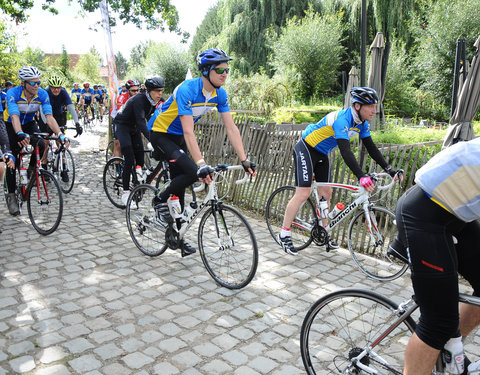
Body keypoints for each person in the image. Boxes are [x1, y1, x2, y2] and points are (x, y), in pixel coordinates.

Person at [148, 48, 256, 257]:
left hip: (178, 137)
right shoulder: (187, 89)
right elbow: (189, 131)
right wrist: (200, 163)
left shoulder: (219, 94)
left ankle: (176, 237)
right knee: (191, 172)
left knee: (180, 187)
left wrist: (244, 160)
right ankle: (158, 200)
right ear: (206, 71)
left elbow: (231, 128)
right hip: (160, 133)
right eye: (220, 70)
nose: (225, 73)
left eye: (227, 69)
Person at [278, 87, 403, 255]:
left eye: (375, 106)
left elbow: (371, 148)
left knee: (326, 193)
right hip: (306, 148)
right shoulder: (343, 120)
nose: (375, 110)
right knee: (303, 193)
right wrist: (361, 176)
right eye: (371, 106)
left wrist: (390, 170)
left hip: (322, 153)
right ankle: (284, 233)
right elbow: (346, 151)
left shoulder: (362, 123)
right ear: (357, 106)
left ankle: (323, 232)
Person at [394, 137, 480, 375]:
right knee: (438, 322)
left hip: (457, 215)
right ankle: (441, 338)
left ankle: (449, 347)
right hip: (423, 214)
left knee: (446, 328)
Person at [3, 66, 68, 216]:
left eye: (38, 82)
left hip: (30, 123)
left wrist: (59, 134)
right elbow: (14, 116)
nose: (37, 85)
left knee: (40, 143)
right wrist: (19, 133)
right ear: (24, 83)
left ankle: (33, 170)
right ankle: (11, 195)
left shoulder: (43, 94)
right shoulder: (13, 93)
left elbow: (49, 117)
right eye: (33, 83)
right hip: (11, 125)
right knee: (13, 160)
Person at [112, 76, 164, 206]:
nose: (160, 94)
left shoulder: (157, 100)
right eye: (157, 91)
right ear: (149, 90)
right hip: (122, 125)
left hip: (134, 127)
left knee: (140, 156)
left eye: (162, 91)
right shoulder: (139, 100)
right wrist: (151, 139)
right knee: (129, 157)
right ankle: (125, 193)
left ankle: (138, 179)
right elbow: (142, 121)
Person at [38, 74, 82, 182]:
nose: (56, 90)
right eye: (54, 87)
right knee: (46, 142)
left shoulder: (63, 92)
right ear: (50, 87)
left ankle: (64, 167)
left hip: (58, 116)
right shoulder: (45, 92)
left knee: (60, 142)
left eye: (58, 87)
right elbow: (41, 110)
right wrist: (46, 124)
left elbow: (71, 107)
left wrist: (77, 123)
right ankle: (44, 164)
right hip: (45, 116)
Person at [110, 79, 141, 159]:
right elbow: (123, 114)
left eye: (138, 90)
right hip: (119, 121)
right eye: (133, 91)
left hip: (131, 122)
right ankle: (117, 168)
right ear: (128, 91)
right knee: (117, 144)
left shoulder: (139, 97)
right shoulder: (122, 98)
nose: (136, 92)